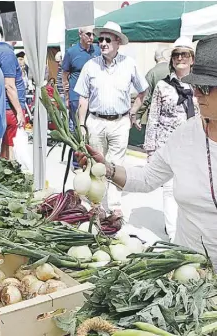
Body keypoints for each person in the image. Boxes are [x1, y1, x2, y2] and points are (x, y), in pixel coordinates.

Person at [78, 34, 217, 292]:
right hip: (188, 277)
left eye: (206, 87)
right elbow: (148, 178)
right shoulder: (186, 134)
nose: (195, 93)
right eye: (195, 84)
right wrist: (106, 168)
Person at [75, 22, 149, 220]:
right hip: (96, 121)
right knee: (96, 164)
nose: (103, 43)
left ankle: (115, 205)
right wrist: (81, 124)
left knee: (116, 165)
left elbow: (143, 90)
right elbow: (82, 97)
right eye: (101, 39)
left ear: (118, 42)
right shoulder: (90, 65)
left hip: (120, 122)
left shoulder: (129, 64)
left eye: (108, 39)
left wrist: (133, 112)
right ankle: (96, 203)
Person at [143, 36, 199, 242]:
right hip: (167, 145)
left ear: (192, 59)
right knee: (168, 190)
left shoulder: (200, 86)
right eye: (176, 55)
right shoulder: (162, 86)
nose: (180, 58)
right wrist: (150, 150)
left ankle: (187, 228)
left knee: (190, 190)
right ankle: (174, 235)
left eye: (185, 54)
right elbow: (153, 117)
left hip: (194, 146)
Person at [0, 26, 26, 160]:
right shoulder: (7, 54)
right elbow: (9, 86)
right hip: (9, 109)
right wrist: (19, 111)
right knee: (10, 151)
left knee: (3, 150)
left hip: (2, 107)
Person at [62, 25, 100, 132]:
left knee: (92, 130)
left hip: (94, 97)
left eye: (93, 34)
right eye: (88, 34)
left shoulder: (97, 51)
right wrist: (67, 98)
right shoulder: (71, 52)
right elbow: (65, 75)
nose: (91, 37)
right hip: (76, 97)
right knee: (78, 129)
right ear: (80, 34)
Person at [143, 46, 172, 116]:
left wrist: (138, 116)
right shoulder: (177, 71)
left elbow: (145, 97)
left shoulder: (151, 73)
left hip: (156, 114)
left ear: (155, 58)